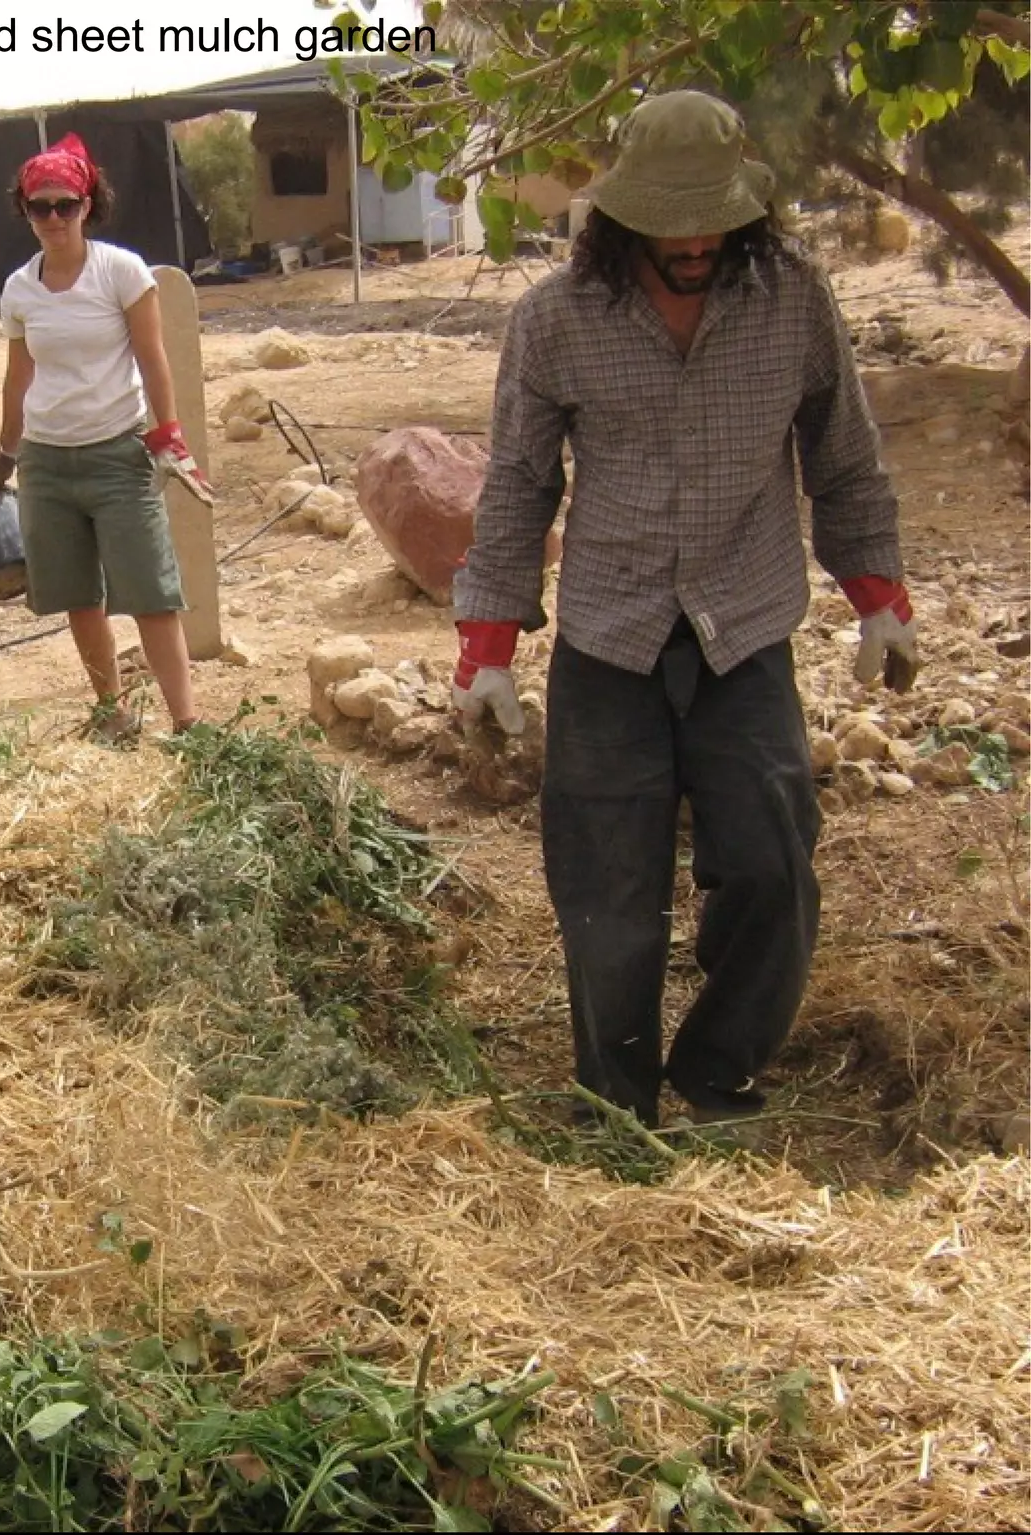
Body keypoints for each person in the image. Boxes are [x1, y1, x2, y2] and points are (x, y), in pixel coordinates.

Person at [451, 91, 918, 1134]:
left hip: (741, 624)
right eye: (672, 225)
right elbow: (518, 483)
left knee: (769, 862)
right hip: (608, 636)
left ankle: (716, 1074)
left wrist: (877, 594)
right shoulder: (554, 319)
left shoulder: (792, 299)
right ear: (623, 217)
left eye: (713, 219)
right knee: (606, 889)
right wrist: (485, 645)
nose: (696, 242)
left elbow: (843, 457)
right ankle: (615, 1104)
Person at [0, 132, 213, 744]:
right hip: (47, 464)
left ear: (88, 204)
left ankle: (188, 724)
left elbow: (153, 357)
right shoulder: (20, 289)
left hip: (118, 453)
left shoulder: (121, 271)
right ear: (24, 210)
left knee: (151, 593)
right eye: (40, 207)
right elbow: (18, 376)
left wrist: (169, 436)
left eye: (66, 205)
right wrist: (4, 455)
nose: (54, 218)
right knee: (78, 596)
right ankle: (111, 713)